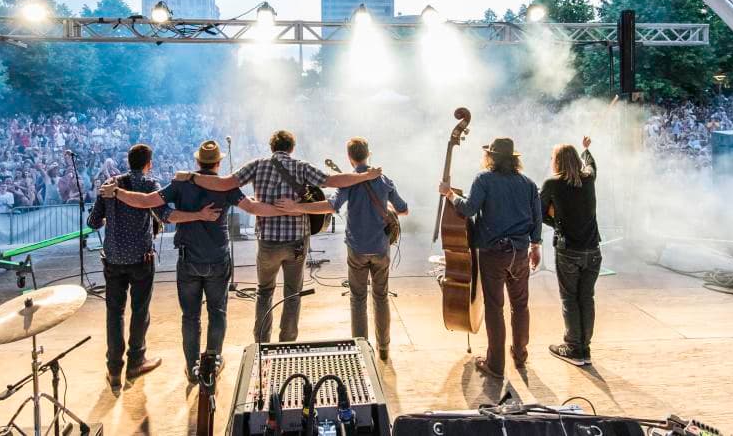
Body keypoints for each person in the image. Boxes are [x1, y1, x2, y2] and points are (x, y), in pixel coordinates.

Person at [103, 140, 291, 384]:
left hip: (189, 258)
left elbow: (146, 201)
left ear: (197, 161)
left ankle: (192, 368)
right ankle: (211, 364)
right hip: (217, 258)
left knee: (190, 316)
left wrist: (117, 192)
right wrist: (288, 210)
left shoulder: (182, 184)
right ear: (219, 162)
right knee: (217, 312)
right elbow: (253, 208)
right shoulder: (225, 187)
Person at [177, 129, 382, 343]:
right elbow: (333, 181)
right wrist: (366, 175)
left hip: (268, 242)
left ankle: (261, 344)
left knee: (264, 292)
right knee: (293, 293)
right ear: (292, 148)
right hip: (296, 243)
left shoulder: (257, 165)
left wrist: (191, 177)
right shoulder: (301, 166)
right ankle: (287, 342)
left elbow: (224, 183)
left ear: (271, 147)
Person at [281, 137, 408, 360]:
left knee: (358, 298)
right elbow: (403, 209)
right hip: (380, 248)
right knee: (381, 297)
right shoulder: (385, 180)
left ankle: (362, 351)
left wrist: (297, 207)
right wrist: (385, 206)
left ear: (350, 157)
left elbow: (330, 206)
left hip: (357, 248)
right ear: (369, 153)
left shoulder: (348, 182)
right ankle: (384, 348)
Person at [88, 143, 190, 394]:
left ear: (128, 160)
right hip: (141, 260)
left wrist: (109, 215)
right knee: (140, 310)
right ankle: (136, 362)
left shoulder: (110, 185)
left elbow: (93, 222)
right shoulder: (149, 185)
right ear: (148, 164)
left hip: (112, 260)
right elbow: (163, 214)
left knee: (115, 313)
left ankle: (113, 370)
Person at [438, 137, 542, 379]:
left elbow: (468, 209)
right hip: (520, 251)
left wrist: (449, 194)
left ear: (491, 157)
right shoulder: (528, 183)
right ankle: (520, 353)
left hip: (493, 252)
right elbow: (536, 219)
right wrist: (535, 246)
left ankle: (495, 365)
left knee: (495, 308)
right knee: (520, 304)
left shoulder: (484, 179)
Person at [540, 137, 600, 367]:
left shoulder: (552, 183)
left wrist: (555, 222)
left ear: (557, 162)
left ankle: (574, 347)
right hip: (593, 249)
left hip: (568, 250)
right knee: (586, 298)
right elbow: (591, 165)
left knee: (569, 299)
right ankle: (585, 348)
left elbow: (538, 210)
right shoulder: (589, 179)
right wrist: (586, 149)